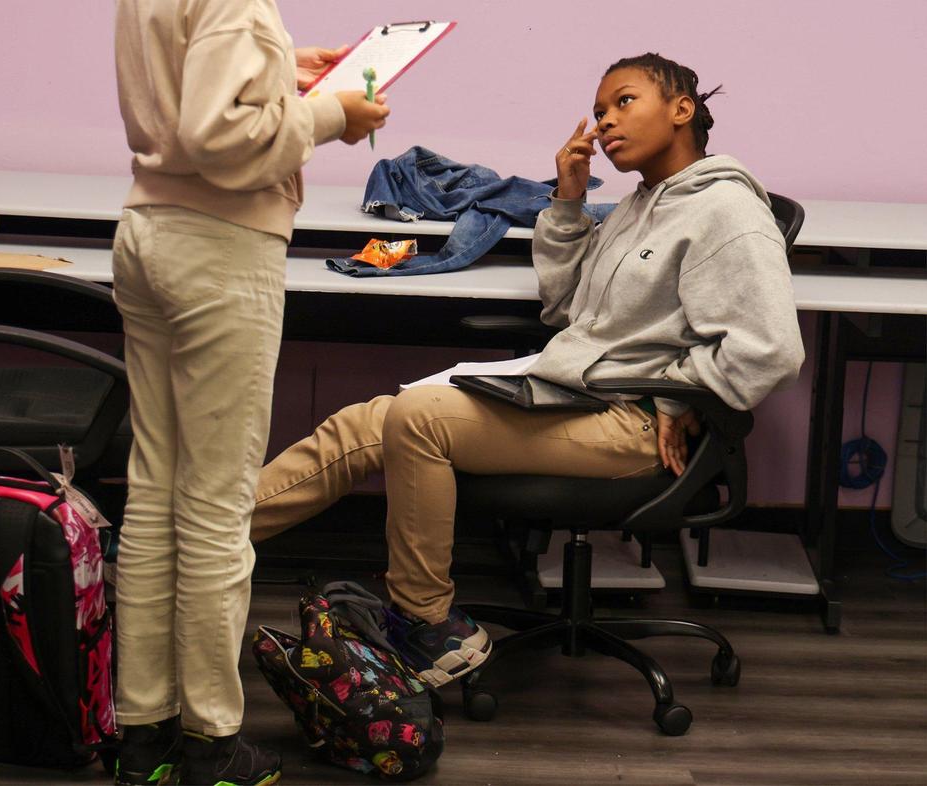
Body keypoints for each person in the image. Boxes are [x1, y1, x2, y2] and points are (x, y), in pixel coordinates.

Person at [247, 52, 805, 689]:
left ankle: (424, 624)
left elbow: (771, 351)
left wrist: (681, 402)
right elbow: (566, 308)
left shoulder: (726, 211)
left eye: (624, 102)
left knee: (418, 419)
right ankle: (202, 547)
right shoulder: (641, 204)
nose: (604, 124)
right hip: (581, 397)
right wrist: (568, 201)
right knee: (366, 422)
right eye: (599, 111)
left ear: (682, 110)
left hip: (634, 425)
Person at [110, 1, 389, 784]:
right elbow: (215, 135)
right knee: (215, 507)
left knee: (155, 493)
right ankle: (209, 746)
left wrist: (282, 72)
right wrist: (333, 113)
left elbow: (190, 85)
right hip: (219, 247)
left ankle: (142, 736)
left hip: (148, 230)